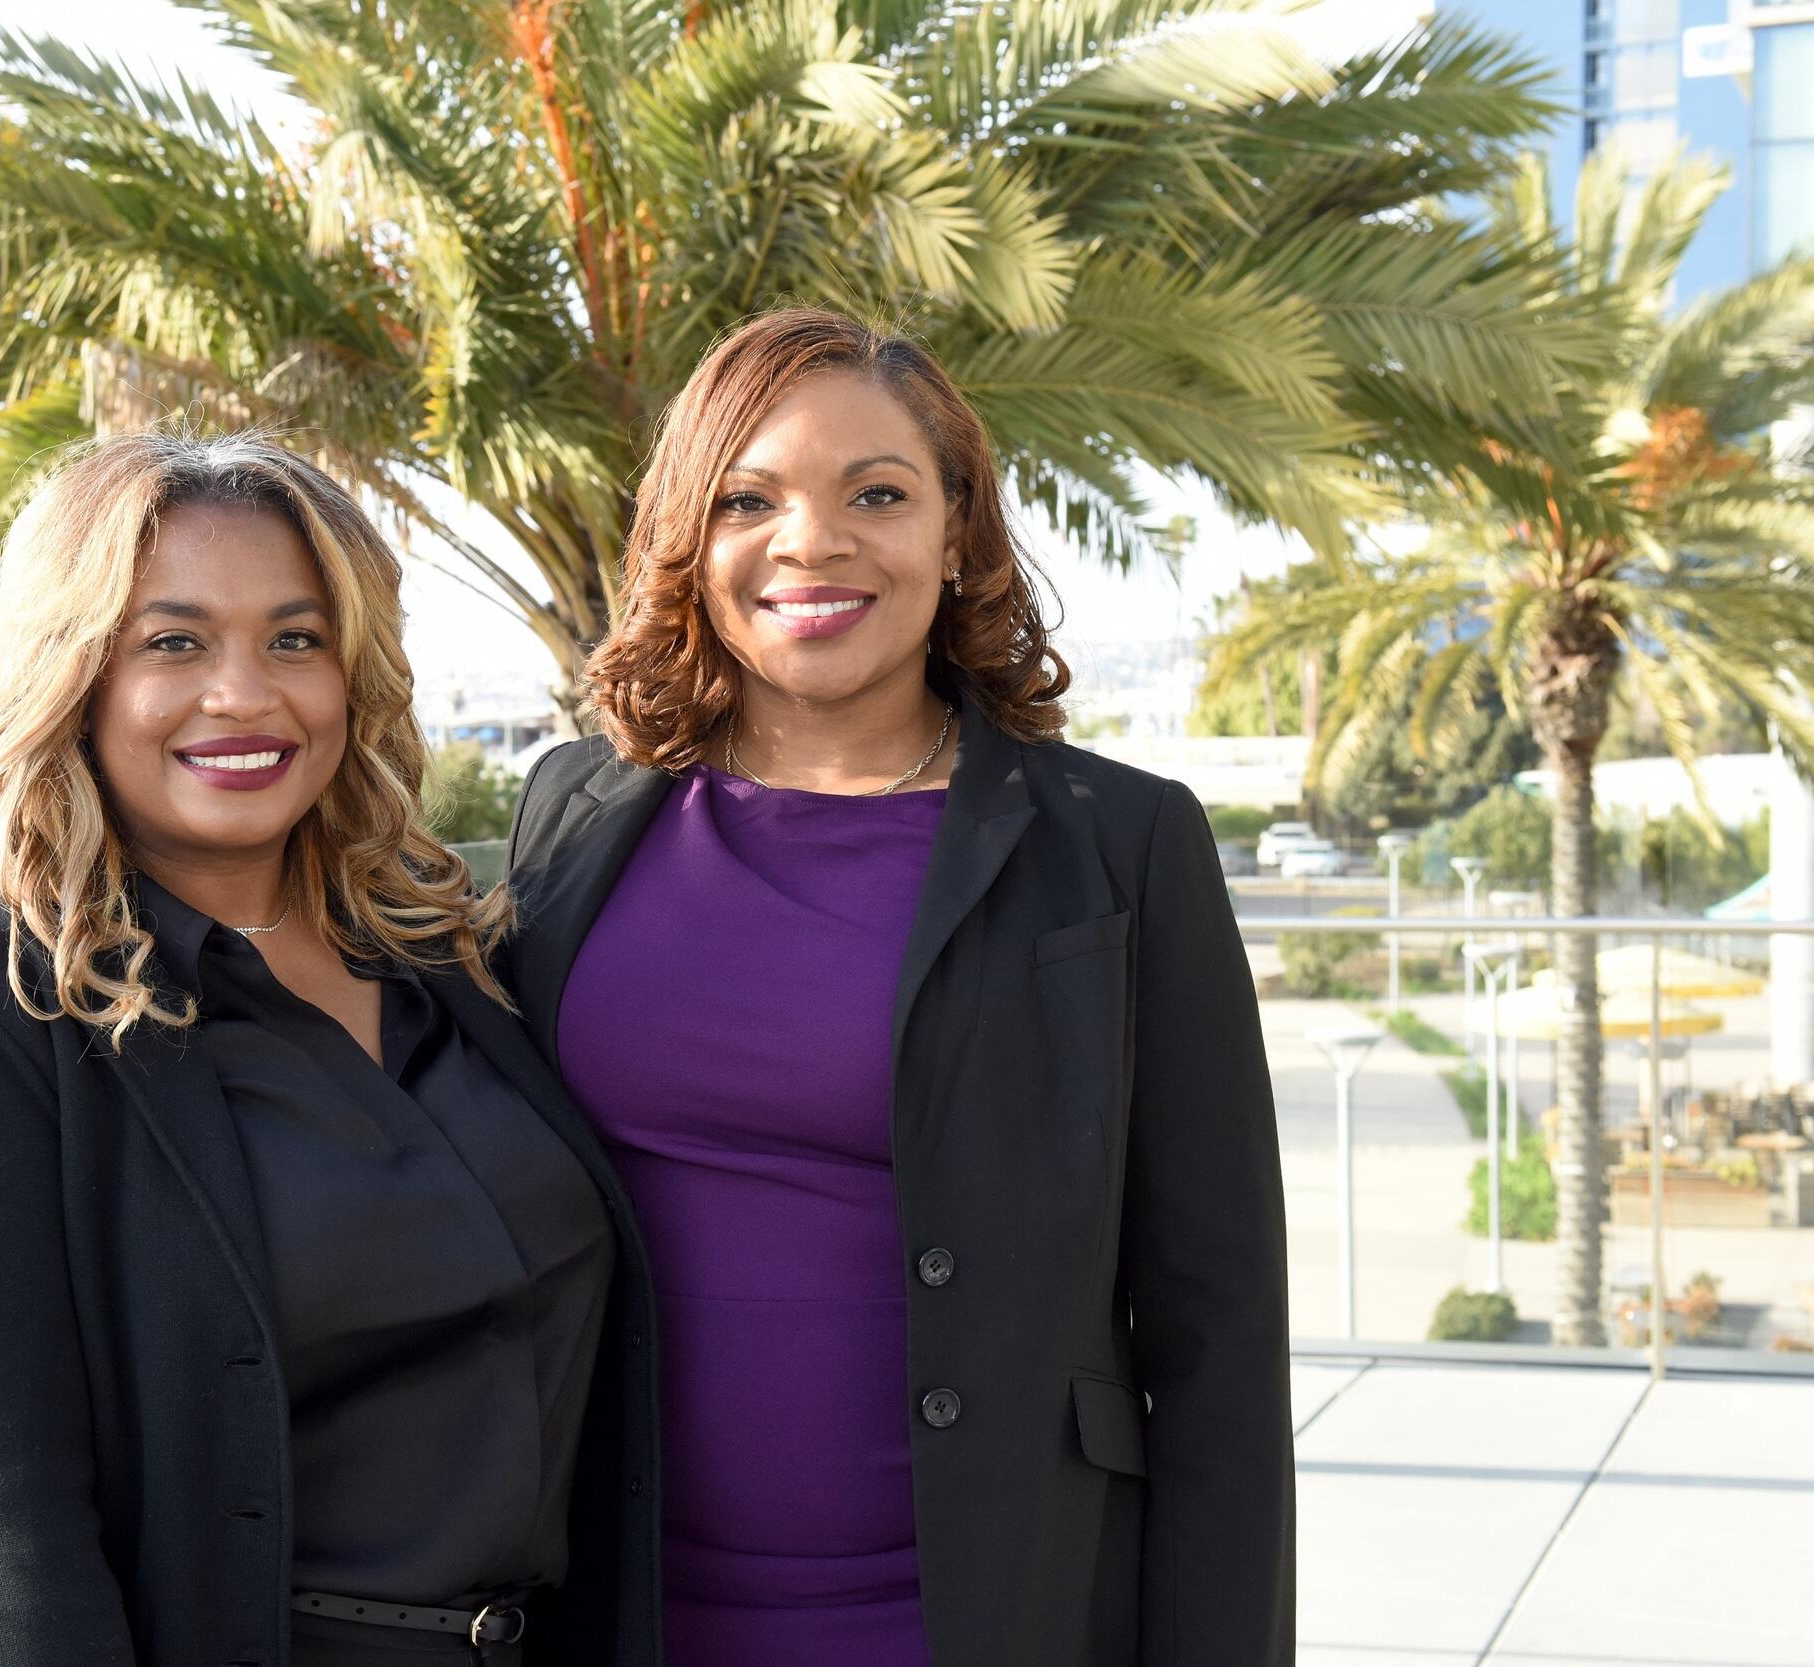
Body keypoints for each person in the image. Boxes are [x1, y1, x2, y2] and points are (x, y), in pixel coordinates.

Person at [502, 309, 1292, 1666]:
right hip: (619, 1604)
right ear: (691, 536)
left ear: (956, 531)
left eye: (878, 492)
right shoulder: (571, 812)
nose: (812, 542)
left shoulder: (1117, 844)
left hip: (984, 1607)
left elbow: (1219, 1333)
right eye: (750, 498)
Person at [0, 432, 660, 1667]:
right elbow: (7, 1538)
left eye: (297, 638)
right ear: (76, 675)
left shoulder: (444, 955)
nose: (244, 693)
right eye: (172, 642)